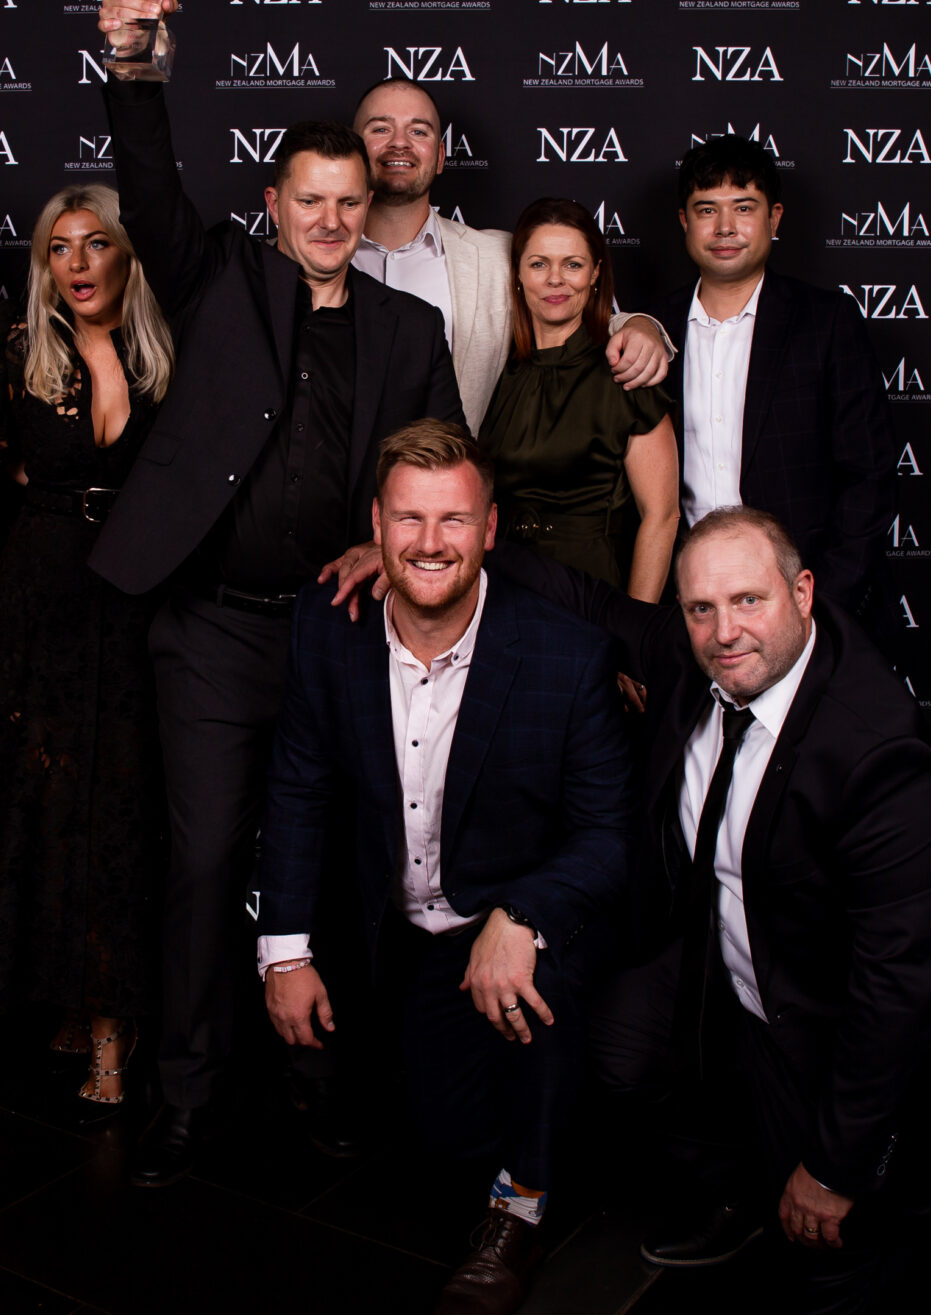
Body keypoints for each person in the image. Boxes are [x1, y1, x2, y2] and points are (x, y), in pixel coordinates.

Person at [449, 510, 931, 1311]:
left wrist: (834, 1168)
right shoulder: (694, 650)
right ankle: (736, 1185)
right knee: (615, 1046)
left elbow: (893, 988)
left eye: (748, 600)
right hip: (731, 963)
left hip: (838, 999)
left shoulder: (879, 753)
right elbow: (590, 600)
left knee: (845, 1252)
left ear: (802, 592)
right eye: (701, 608)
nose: (725, 631)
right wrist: (444, 547)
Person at [90, 0, 466, 1188]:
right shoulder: (219, 278)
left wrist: (383, 546)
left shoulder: (408, 332)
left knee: (344, 867)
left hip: (340, 631)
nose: (330, 219)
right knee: (205, 864)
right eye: (310, 200)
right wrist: (135, 68)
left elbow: (441, 465)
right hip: (210, 633)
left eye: (349, 201)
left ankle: (324, 1082)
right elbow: (150, 188)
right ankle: (188, 1095)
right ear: (275, 204)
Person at [261, 421, 630, 1315]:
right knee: (446, 1137)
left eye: (454, 519)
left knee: (537, 986)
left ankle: (521, 1209)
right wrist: (285, 950)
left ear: (490, 528)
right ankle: (525, 1131)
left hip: (515, 919)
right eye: (410, 519)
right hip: (408, 929)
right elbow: (298, 786)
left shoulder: (565, 652)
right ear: (376, 527)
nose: (431, 542)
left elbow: (607, 833)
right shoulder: (327, 626)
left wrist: (525, 914)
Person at [0, 185, 174, 1124]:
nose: (78, 264)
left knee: (122, 804)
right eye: (59, 248)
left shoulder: (169, 349)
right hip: (44, 593)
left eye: (97, 244)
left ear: (128, 254)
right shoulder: (15, 348)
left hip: (141, 593)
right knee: (48, 797)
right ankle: (71, 996)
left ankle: (116, 1025)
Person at [664, 136, 896, 623]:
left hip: (801, 602)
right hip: (685, 604)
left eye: (743, 207)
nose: (725, 227)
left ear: (774, 218)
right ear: (684, 221)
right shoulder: (652, 327)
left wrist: (820, 607)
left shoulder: (827, 322)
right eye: (706, 210)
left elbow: (869, 479)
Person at [353, 79, 669, 428]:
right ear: (352, 150)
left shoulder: (497, 256)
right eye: (380, 129)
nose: (399, 143)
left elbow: (583, 318)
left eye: (418, 131)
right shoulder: (314, 259)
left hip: (461, 460)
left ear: (440, 157)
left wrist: (640, 326)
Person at [482, 197, 679, 600]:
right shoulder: (497, 374)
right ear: (518, 273)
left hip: (589, 589)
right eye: (539, 264)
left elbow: (662, 516)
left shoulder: (626, 372)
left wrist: (634, 625)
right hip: (501, 585)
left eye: (572, 265)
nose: (555, 280)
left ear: (595, 274)